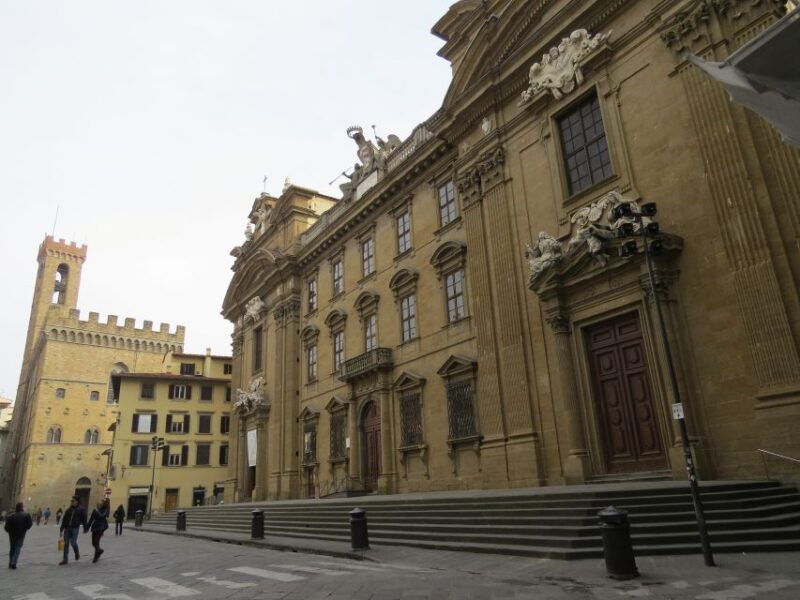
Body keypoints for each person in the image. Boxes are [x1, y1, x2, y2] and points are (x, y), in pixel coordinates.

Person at [4, 503, 33, 569]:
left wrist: (9, 531)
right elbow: (30, 524)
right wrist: (24, 529)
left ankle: (10, 562)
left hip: (12, 535)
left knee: (12, 548)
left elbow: (6, 527)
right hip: (21, 534)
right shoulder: (26, 515)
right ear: (21, 507)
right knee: (17, 548)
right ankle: (14, 562)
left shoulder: (10, 516)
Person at [59, 496, 86, 565]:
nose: (71, 502)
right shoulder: (68, 510)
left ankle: (76, 553)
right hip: (67, 528)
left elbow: (84, 520)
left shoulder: (81, 509)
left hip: (75, 528)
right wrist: (61, 529)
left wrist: (85, 528)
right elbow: (64, 520)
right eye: (71, 501)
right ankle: (65, 559)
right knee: (65, 544)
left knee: (73, 542)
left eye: (73, 501)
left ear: (77, 501)